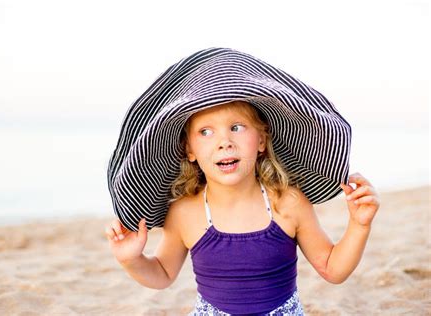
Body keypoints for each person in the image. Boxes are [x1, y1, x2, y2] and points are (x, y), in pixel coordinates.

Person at [105, 99, 380, 315]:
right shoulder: (184, 212)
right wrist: (132, 260)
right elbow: (163, 275)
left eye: (236, 127)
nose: (224, 142)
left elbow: (333, 269)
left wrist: (359, 225)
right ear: (189, 149)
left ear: (261, 140)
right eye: (206, 132)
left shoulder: (288, 202)